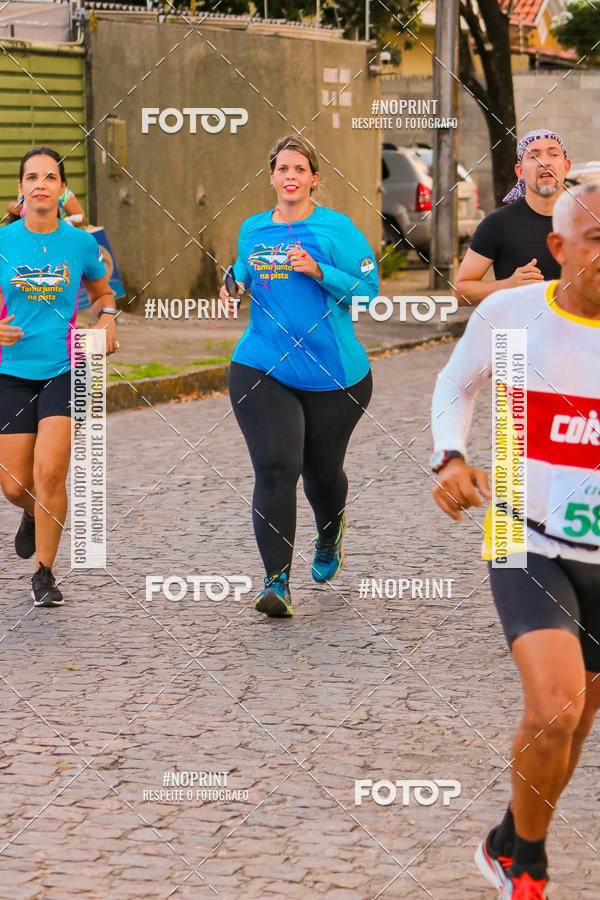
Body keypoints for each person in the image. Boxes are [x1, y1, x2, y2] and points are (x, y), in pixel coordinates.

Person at [431, 181, 600, 899]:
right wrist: (450, 456)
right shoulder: (511, 314)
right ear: (558, 248)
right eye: (598, 239)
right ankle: (526, 865)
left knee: (574, 724)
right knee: (556, 705)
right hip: (521, 533)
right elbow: (455, 384)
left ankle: (509, 835)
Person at [220, 134, 379, 618]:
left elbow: (368, 292)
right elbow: (242, 271)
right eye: (281, 168)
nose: (290, 176)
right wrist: (231, 285)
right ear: (271, 177)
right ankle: (276, 582)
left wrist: (319, 270)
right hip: (262, 364)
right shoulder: (253, 228)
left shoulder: (338, 228)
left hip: (335, 375)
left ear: (314, 179)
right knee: (275, 466)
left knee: (322, 475)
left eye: (299, 169)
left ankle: (329, 535)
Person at [0, 146, 118, 607]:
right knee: (14, 484)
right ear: (21, 188)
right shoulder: (4, 241)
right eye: (33, 176)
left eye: (50, 176)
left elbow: (102, 291)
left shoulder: (81, 243)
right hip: (9, 372)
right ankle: (33, 514)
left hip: (65, 370)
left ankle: (44, 573)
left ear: (62, 188)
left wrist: (107, 319)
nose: (41, 184)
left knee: (50, 472)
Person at [454, 129, 571, 306]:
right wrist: (509, 285)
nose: (544, 162)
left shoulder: (589, 221)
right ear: (520, 171)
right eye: (533, 156)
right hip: (522, 332)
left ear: (567, 166)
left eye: (553, 154)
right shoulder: (498, 223)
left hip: (581, 331)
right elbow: (460, 292)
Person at [7, 183, 87, 227]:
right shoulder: (25, 193)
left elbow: (81, 218)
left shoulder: (62, 193)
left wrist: (62, 223)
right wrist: (14, 210)